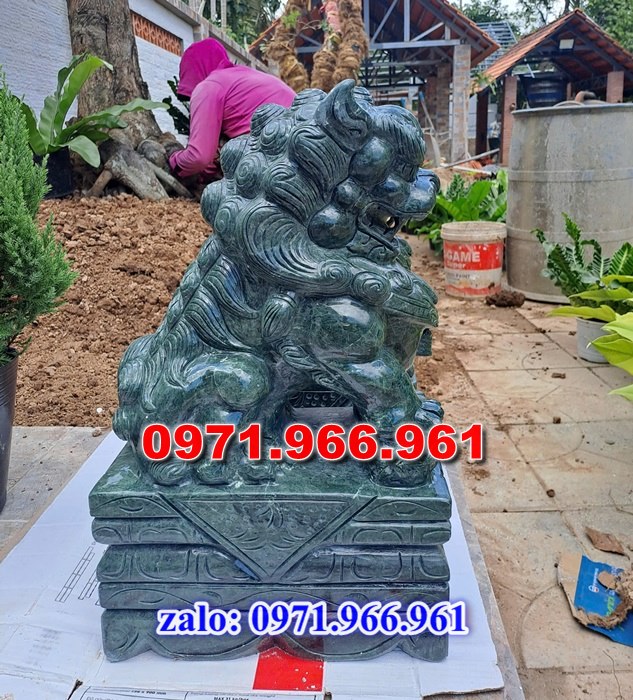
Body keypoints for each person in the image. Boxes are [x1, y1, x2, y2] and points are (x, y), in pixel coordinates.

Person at [168, 38, 296, 182]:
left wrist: (173, 162)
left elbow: (199, 158)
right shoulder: (243, 77)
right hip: (305, 145)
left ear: (191, 71)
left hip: (280, 158)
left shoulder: (209, 86)